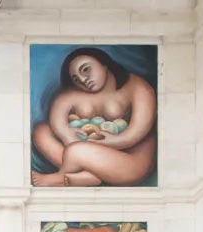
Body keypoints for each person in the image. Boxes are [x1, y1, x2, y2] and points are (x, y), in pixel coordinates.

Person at [31, 47, 158, 187]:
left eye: (86, 70)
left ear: (104, 63)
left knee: (76, 151)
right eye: (76, 79)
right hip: (83, 150)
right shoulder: (72, 94)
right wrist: (68, 135)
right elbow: (58, 122)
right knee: (41, 131)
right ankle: (86, 175)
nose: (83, 80)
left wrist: (109, 141)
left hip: (129, 161)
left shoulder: (138, 88)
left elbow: (137, 132)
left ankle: (62, 177)